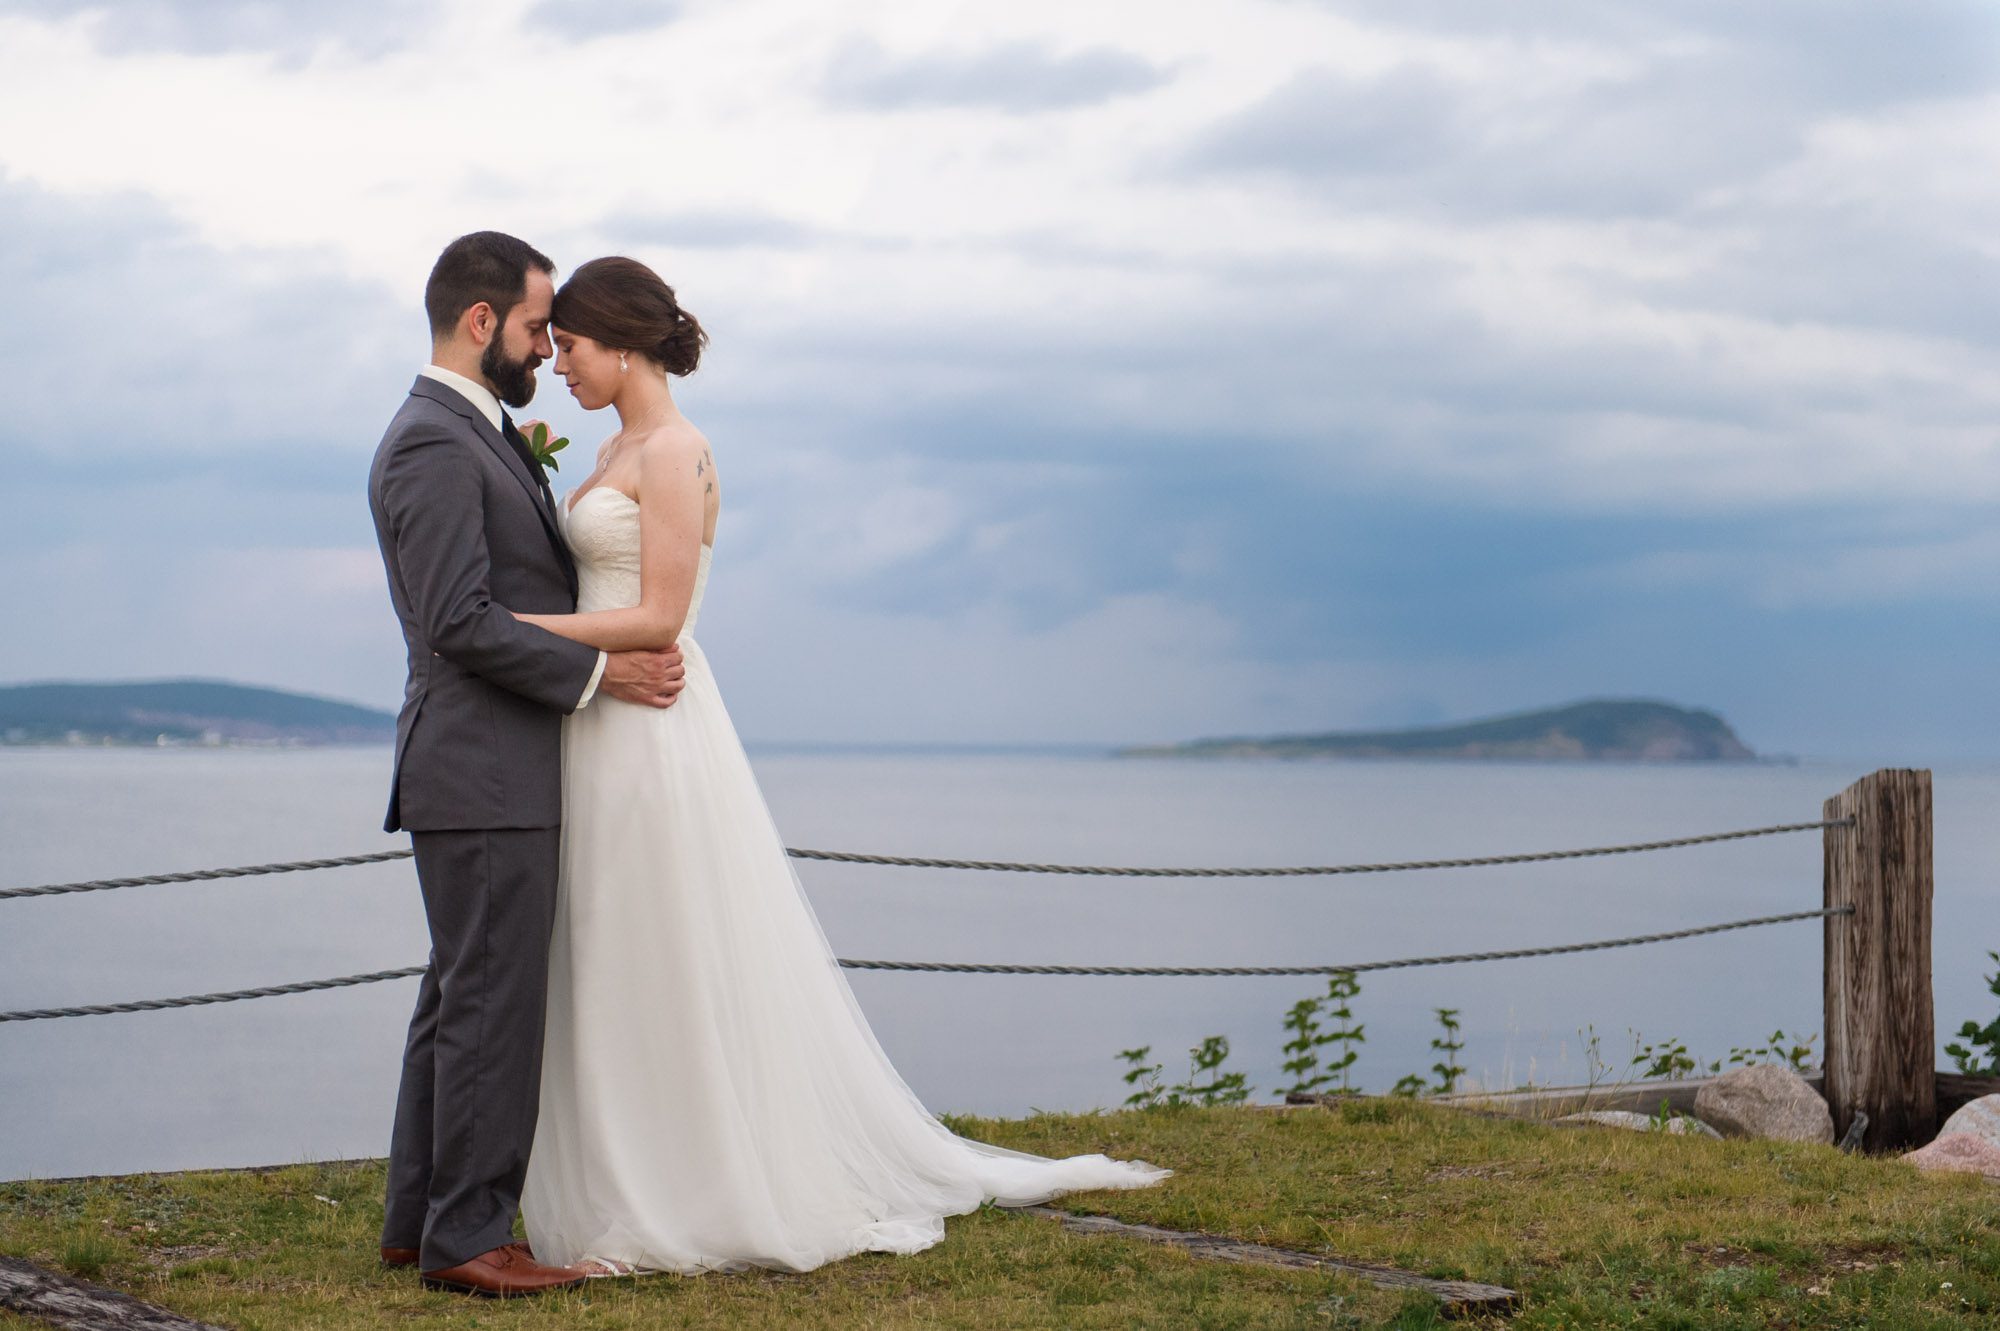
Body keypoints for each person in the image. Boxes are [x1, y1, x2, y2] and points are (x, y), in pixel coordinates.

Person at [509, 255, 1171, 1277]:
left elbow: (662, 614)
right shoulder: (609, 448)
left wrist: (511, 626)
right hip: (598, 715)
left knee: (655, 941)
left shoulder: (678, 451)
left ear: (625, 345)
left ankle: (685, 1188)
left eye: (572, 347)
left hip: (652, 726)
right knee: (602, 942)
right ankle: (615, 1174)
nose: (559, 366)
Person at [365, 232, 686, 1297]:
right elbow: (457, 619)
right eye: (537, 326)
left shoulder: (474, 432)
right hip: (482, 763)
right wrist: (598, 675)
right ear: (480, 321)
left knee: (462, 992)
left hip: (486, 764)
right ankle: (468, 1238)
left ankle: (418, 1220)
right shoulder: (434, 441)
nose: (548, 347)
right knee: (490, 1002)